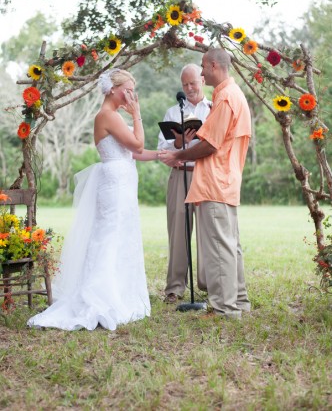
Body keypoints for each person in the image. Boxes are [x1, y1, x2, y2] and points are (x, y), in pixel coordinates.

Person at [28, 68, 159, 331]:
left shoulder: (113, 117)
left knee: (122, 236)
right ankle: (99, 297)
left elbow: (135, 153)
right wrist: (137, 115)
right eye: (128, 90)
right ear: (113, 89)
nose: (132, 96)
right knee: (108, 237)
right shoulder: (107, 116)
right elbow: (138, 145)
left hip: (122, 181)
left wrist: (165, 156)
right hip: (114, 184)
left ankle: (120, 293)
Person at [160, 49, 251, 319]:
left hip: (215, 180)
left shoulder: (224, 99)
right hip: (227, 179)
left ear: (213, 65)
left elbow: (209, 145)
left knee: (219, 247)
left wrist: (178, 153)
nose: (200, 73)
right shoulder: (234, 94)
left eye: (202, 68)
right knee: (230, 243)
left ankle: (224, 309)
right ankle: (240, 301)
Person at [157, 64, 211, 304]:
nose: (189, 88)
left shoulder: (213, 108)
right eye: (185, 85)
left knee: (208, 230)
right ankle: (175, 287)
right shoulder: (172, 112)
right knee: (178, 230)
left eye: (193, 83)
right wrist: (179, 142)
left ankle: (210, 283)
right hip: (180, 175)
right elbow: (164, 150)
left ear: (202, 80)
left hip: (206, 174)